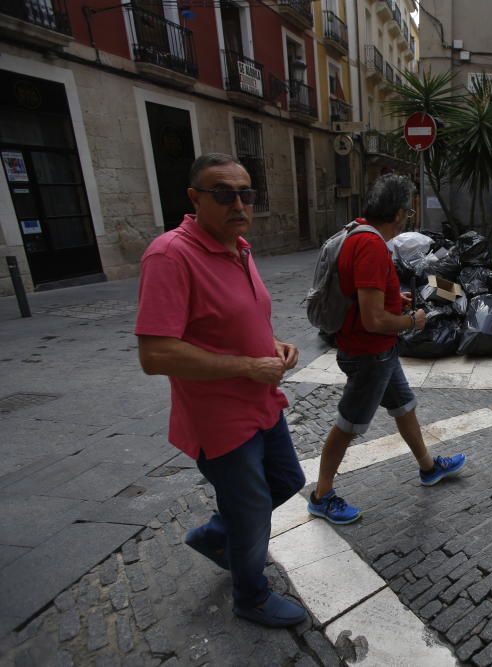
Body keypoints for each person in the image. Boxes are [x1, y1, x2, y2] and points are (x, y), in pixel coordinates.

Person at [134, 153, 307, 628]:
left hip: (262, 403)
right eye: (223, 193)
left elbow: (231, 322)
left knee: (288, 481)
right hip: (219, 418)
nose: (238, 203)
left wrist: (274, 345)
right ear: (194, 198)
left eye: (246, 193)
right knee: (252, 513)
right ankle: (250, 596)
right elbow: (156, 355)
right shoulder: (170, 255)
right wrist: (247, 365)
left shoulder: (239, 247)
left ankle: (217, 535)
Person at [307, 174, 466, 525]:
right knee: (347, 425)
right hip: (369, 354)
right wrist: (414, 321)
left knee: (405, 406)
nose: (408, 216)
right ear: (397, 214)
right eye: (408, 210)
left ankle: (428, 468)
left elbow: (366, 297)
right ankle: (321, 495)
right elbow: (374, 319)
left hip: (379, 352)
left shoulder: (357, 232)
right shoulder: (372, 247)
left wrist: (396, 297)